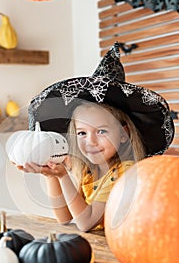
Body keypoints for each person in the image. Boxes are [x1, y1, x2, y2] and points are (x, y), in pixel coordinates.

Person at [14, 42, 175, 232]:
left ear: (124, 134)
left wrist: (63, 175)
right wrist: (51, 177)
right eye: (82, 133)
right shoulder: (90, 171)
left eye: (101, 131)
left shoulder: (125, 171)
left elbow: (85, 223)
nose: (90, 141)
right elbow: (64, 218)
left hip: (124, 249)